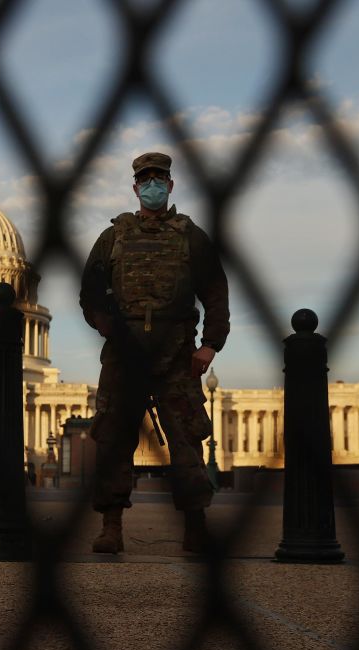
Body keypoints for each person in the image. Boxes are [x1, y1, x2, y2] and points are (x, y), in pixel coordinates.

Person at [79, 152, 230, 553]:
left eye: (158, 178)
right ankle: (111, 526)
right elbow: (89, 292)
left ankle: (194, 525)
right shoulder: (113, 237)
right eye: (145, 179)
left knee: (186, 440)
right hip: (124, 355)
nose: (152, 185)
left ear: (170, 184)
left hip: (176, 351)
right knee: (113, 439)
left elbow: (215, 292)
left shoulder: (190, 236)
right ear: (134, 187)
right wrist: (105, 325)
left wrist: (210, 345)